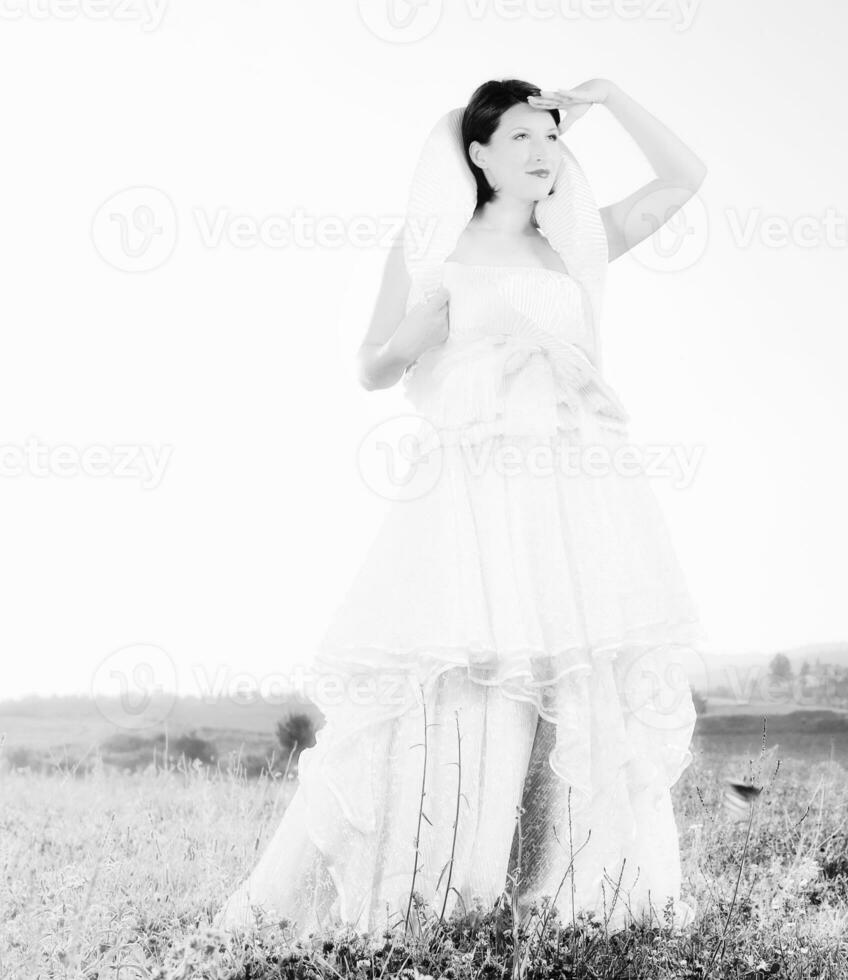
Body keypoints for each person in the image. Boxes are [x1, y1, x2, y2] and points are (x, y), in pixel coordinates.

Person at [212, 77, 711, 940]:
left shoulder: (574, 248)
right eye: (520, 135)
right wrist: (416, 337)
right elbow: (372, 364)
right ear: (476, 155)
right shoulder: (431, 248)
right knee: (472, 668)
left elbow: (683, 178)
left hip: (571, 496)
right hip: (473, 494)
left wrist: (617, 98)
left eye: (551, 134)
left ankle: (571, 890)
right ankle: (448, 883)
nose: (543, 149)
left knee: (572, 669)